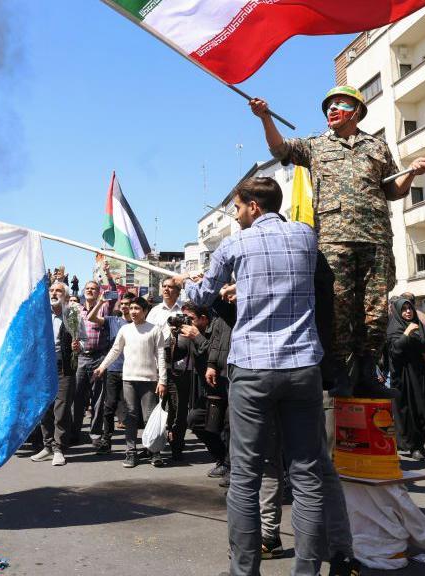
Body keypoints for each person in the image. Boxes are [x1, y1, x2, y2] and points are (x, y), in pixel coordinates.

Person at [176, 177, 348, 576]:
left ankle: (244, 570)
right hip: (302, 366)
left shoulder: (235, 245)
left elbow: (202, 298)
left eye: (236, 208)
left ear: (253, 206)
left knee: (246, 474)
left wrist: (186, 288)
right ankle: (307, 570)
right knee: (306, 473)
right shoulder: (306, 236)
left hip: (252, 369)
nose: (235, 217)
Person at [251, 87, 425, 398]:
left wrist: (413, 173)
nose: (331, 110)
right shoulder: (316, 146)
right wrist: (266, 117)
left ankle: (368, 371)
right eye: (328, 106)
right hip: (334, 241)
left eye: (340, 104)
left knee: (374, 313)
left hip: (375, 238)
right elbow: (280, 149)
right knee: (338, 310)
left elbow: (394, 190)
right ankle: (341, 373)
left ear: (356, 111)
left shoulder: (377, 147)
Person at [93, 296, 168, 468]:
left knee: (149, 416)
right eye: (131, 308)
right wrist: (102, 367)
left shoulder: (155, 330)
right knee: (130, 416)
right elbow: (115, 350)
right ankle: (131, 452)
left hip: (149, 380)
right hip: (128, 379)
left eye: (137, 309)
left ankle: (154, 452)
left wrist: (162, 380)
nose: (133, 311)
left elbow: (161, 357)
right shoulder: (125, 330)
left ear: (145, 311)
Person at [175, 302, 230, 477]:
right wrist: (174, 337)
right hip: (208, 389)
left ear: (204, 319)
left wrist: (197, 336)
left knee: (228, 429)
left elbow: (218, 355)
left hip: (225, 385)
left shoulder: (218, 327)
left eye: (190, 318)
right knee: (195, 420)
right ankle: (221, 458)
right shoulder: (191, 333)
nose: (187, 322)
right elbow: (177, 355)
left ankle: (231, 466)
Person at [72, 263, 117, 447]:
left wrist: (107, 273)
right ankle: (74, 433)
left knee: (98, 398)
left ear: (99, 292)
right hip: (82, 357)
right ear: (84, 291)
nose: (90, 291)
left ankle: (95, 434)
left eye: (94, 289)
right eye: (88, 288)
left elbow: (113, 291)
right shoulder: (76, 310)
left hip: (100, 357)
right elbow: (72, 332)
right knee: (77, 396)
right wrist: (74, 343)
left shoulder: (104, 308)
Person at [32, 281, 76, 466]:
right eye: (51, 290)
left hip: (63, 366)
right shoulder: (40, 315)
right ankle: (47, 445)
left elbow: (80, 339)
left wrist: (78, 346)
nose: (54, 293)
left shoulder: (71, 315)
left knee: (62, 408)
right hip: (43, 366)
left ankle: (59, 449)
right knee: (45, 408)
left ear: (65, 296)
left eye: (58, 291)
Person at [86, 290, 135, 454]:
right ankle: (107, 440)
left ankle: (132, 444)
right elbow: (91, 318)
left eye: (128, 305)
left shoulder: (139, 324)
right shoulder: (113, 320)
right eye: (123, 305)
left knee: (131, 408)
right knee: (109, 406)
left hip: (132, 371)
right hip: (114, 369)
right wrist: (100, 302)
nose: (125, 308)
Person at [387, 297, 425, 460]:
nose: (408, 311)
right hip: (404, 375)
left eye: (410, 308)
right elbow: (396, 350)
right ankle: (413, 446)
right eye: (404, 309)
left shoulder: (418, 325)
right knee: (410, 410)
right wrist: (407, 332)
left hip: (420, 372)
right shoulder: (395, 327)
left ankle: (420, 443)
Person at [147, 277, 187, 459]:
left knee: (179, 409)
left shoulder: (184, 310)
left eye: (171, 287)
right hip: (159, 368)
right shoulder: (154, 312)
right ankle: (155, 445)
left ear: (178, 291)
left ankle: (177, 445)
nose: (167, 289)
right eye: (164, 286)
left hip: (180, 367)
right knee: (158, 407)